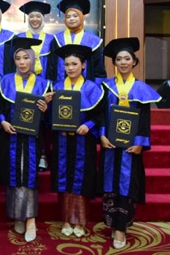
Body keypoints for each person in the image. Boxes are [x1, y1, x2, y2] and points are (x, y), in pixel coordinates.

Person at [99, 37, 160, 249]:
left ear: (134, 61)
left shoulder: (141, 89)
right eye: (119, 59)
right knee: (111, 183)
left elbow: (144, 120)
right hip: (110, 145)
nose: (123, 62)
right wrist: (102, 135)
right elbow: (101, 115)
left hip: (130, 146)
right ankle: (112, 222)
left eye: (127, 58)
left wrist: (141, 143)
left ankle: (120, 228)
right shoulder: (106, 87)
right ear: (114, 63)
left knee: (126, 184)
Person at [0, 37, 50, 242]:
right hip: (10, 136)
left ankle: (30, 219)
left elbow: (48, 120)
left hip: (32, 139)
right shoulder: (5, 81)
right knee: (13, 175)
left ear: (33, 59)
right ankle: (17, 215)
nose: (22, 62)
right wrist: (2, 122)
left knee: (28, 176)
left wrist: (45, 110)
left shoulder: (44, 84)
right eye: (18, 58)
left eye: (26, 58)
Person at [48, 44, 103, 238]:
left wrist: (88, 125)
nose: (70, 68)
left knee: (81, 179)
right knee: (64, 178)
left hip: (83, 140)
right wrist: (47, 105)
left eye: (74, 64)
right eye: (67, 64)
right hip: (62, 140)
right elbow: (50, 117)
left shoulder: (92, 88)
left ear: (83, 65)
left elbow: (99, 114)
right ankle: (65, 219)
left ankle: (79, 220)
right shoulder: (57, 87)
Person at [18, 0, 53, 172]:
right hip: (24, 84)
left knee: (43, 121)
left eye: (38, 16)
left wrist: (51, 87)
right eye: (31, 16)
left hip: (43, 85)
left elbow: (53, 65)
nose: (34, 19)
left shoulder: (51, 40)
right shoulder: (19, 38)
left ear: (43, 18)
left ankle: (43, 155)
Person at [47, 0, 106, 85]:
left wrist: (96, 88)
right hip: (61, 87)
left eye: (75, 16)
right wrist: (51, 86)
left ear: (81, 17)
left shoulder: (93, 41)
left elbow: (98, 70)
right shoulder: (57, 39)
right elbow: (51, 67)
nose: (71, 19)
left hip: (86, 89)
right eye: (68, 16)